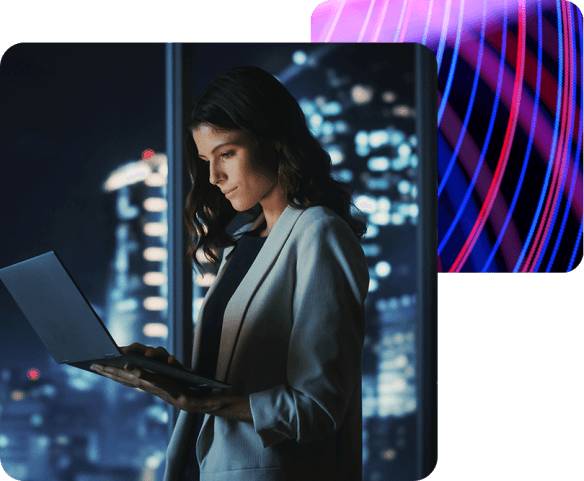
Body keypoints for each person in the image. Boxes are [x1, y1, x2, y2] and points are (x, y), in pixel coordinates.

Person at [90, 66, 369, 481]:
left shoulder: (320, 232)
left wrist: (200, 400)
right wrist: (174, 375)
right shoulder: (244, 244)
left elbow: (317, 408)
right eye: (205, 161)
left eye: (226, 154)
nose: (213, 178)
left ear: (274, 140)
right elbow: (241, 378)